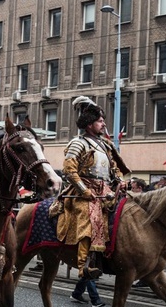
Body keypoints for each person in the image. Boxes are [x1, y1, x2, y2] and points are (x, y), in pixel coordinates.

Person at [55, 96, 129, 280]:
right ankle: (84, 264)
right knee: (91, 217)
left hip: (106, 190)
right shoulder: (78, 143)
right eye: (100, 120)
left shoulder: (105, 146)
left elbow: (114, 169)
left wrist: (120, 180)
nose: (103, 124)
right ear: (89, 124)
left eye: (103, 120)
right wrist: (83, 191)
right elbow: (69, 170)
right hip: (84, 191)